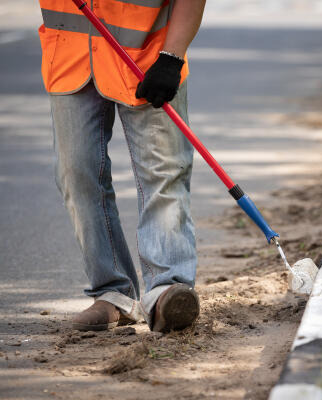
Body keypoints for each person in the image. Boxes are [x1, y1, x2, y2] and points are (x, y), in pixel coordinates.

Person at [37, 0, 206, 332]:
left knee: (163, 174)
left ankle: (166, 290)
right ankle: (112, 293)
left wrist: (171, 57)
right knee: (76, 174)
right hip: (70, 58)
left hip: (148, 58)